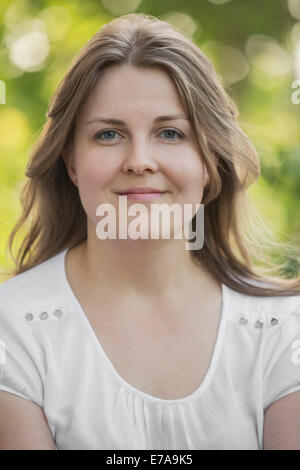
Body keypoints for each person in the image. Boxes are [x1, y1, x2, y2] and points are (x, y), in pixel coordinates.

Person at [0, 12, 300, 451]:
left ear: (209, 160)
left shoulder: (282, 329)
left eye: (170, 133)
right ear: (71, 163)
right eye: (108, 135)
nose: (140, 160)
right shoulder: (12, 328)